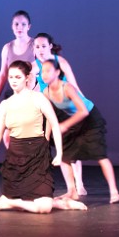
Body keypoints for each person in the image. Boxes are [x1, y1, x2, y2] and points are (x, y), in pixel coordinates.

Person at [0, 61, 87, 213]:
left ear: (27, 78)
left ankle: (10, 202)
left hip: (37, 156)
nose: (14, 81)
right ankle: (59, 203)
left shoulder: (38, 98)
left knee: (44, 208)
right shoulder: (5, 105)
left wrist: (59, 153)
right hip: (16, 158)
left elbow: (54, 124)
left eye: (18, 77)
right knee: (39, 203)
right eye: (11, 77)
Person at [40, 59, 119, 204]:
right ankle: (72, 191)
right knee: (65, 154)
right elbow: (49, 117)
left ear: (57, 72)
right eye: (42, 71)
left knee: (100, 154)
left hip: (90, 119)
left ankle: (114, 191)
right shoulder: (46, 92)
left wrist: (65, 125)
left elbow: (83, 111)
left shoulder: (67, 88)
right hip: (74, 120)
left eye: (48, 71)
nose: (44, 74)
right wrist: (46, 136)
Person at [32, 32, 87, 196]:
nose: (40, 50)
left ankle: (79, 183)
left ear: (50, 46)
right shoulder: (34, 66)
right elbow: (32, 88)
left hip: (64, 107)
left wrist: (83, 102)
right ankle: (42, 182)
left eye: (43, 46)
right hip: (47, 108)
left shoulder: (60, 62)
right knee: (48, 144)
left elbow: (73, 84)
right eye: (37, 47)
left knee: (71, 145)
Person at [0, 10, 36, 113]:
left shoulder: (35, 45)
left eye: (23, 24)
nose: (20, 27)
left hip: (30, 92)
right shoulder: (7, 48)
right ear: (12, 26)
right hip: (12, 92)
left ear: (29, 27)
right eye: (16, 24)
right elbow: (3, 74)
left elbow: (42, 69)